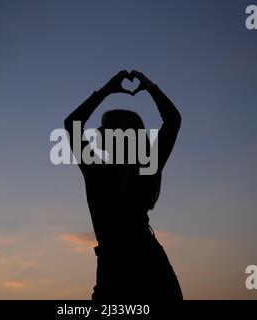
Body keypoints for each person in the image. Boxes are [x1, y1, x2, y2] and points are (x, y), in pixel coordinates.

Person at [64, 70, 183, 300]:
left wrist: (107, 90)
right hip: (145, 264)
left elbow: (72, 123)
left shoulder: (96, 170)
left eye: (104, 127)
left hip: (118, 268)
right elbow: (173, 120)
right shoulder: (147, 165)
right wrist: (149, 86)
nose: (97, 132)